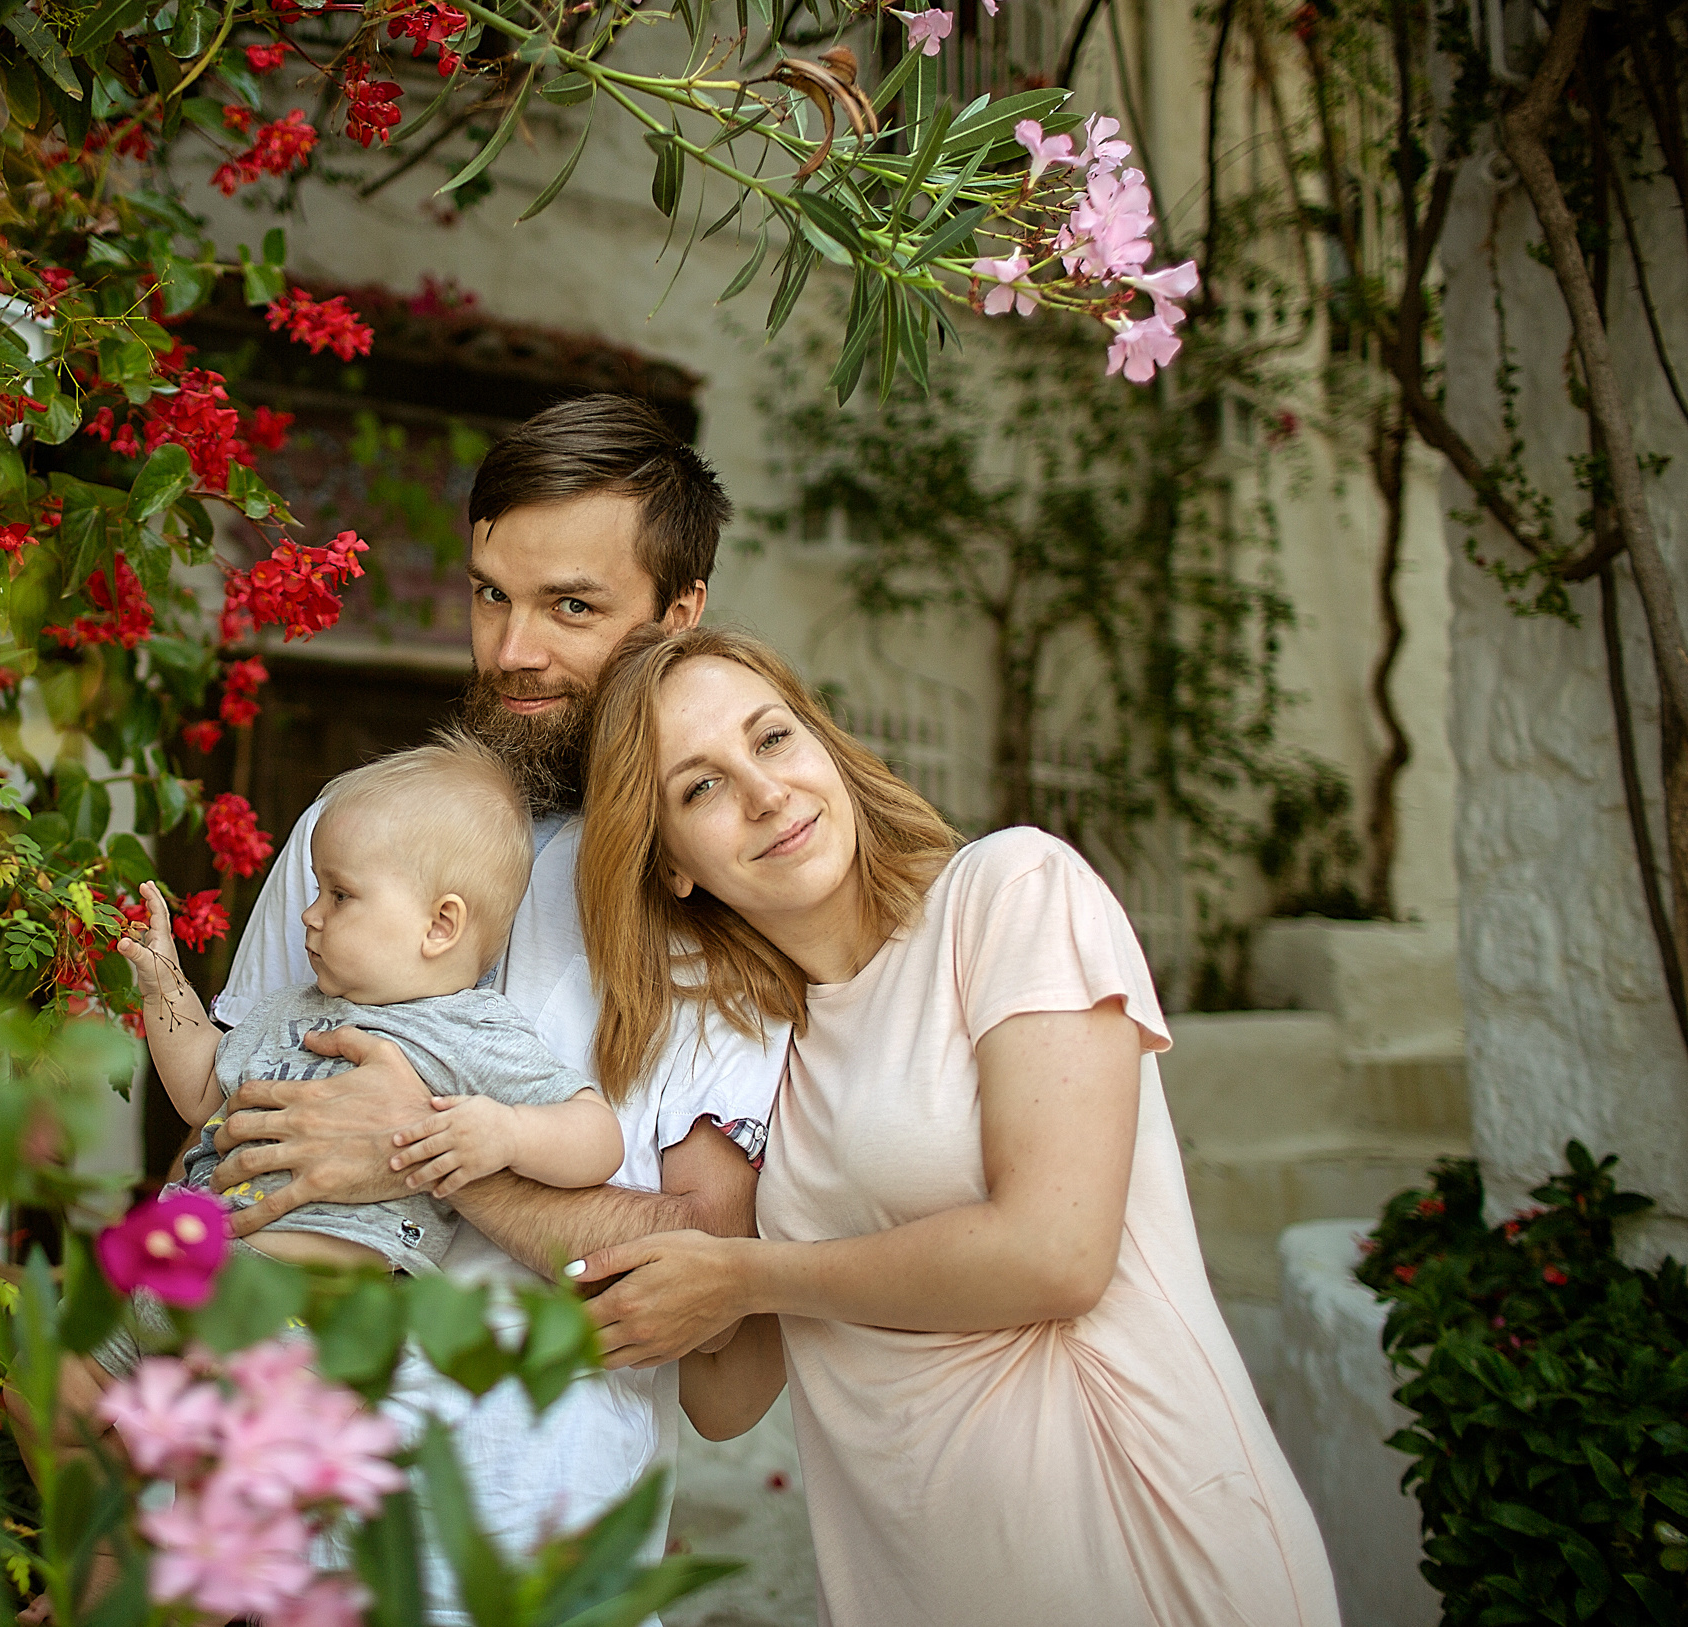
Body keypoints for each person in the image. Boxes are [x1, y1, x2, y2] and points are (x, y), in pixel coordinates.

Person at [566, 624, 1344, 1627]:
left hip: (1147, 1560)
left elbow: (1056, 1251)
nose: (764, 794)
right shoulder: (764, 1053)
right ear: (667, 862)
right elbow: (727, 1397)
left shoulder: (1009, 893)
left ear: (825, 748)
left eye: (771, 738)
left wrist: (751, 1271)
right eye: (700, 787)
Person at [198, 396, 785, 1614]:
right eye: (489, 594)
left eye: (571, 605)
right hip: (276, 1538)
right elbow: (233, 1140)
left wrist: (427, 1151)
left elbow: (704, 1275)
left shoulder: (713, 900)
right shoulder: (351, 831)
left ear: (678, 615)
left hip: (526, 1558)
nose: (512, 649)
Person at [111, 732, 623, 1309]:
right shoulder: (294, 1007)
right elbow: (204, 1092)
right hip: (182, 1273)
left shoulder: (469, 1031)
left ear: (439, 926)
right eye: (317, 890)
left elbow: (598, 1137)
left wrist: (506, 1133)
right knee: (51, 1377)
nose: (310, 914)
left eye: (340, 895)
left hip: (297, 1310)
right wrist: (163, 986)